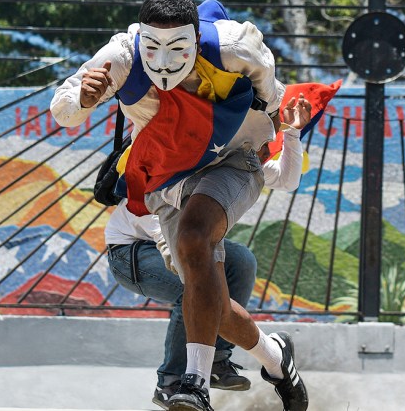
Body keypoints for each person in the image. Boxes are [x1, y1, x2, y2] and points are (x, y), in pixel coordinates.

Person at [51, 0, 308, 411]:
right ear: (141, 42)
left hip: (230, 161)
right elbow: (63, 108)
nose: (166, 62)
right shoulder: (121, 57)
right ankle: (277, 360)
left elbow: (270, 86)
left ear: (196, 37)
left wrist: (270, 117)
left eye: (178, 48)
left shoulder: (232, 45)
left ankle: (192, 382)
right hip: (166, 179)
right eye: (154, 48)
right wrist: (82, 98)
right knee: (212, 302)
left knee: (195, 237)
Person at [104, 94, 312, 409]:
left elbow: (287, 179)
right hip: (132, 251)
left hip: (186, 242)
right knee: (195, 290)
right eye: (262, 140)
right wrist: (188, 267)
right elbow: (156, 222)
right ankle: (172, 381)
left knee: (241, 262)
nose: (266, 147)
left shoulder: (244, 159)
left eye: (270, 142)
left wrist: (292, 133)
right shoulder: (197, 154)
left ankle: (218, 357)